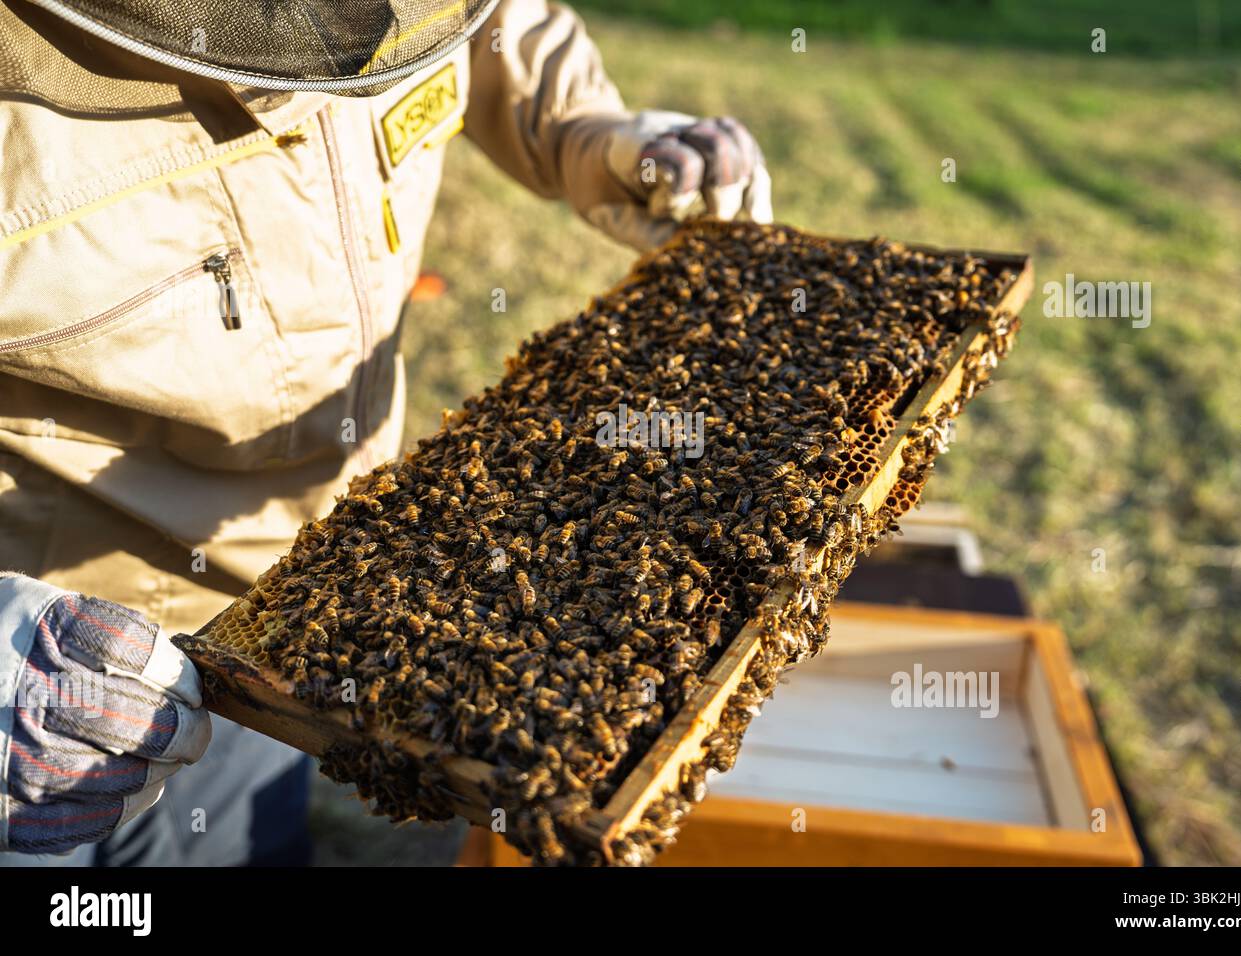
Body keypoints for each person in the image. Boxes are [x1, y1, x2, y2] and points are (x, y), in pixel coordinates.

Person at [0, 0, 771, 864]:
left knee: (246, 838)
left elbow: (488, 25)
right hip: (61, 672)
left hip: (291, 626)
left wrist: (592, 130)